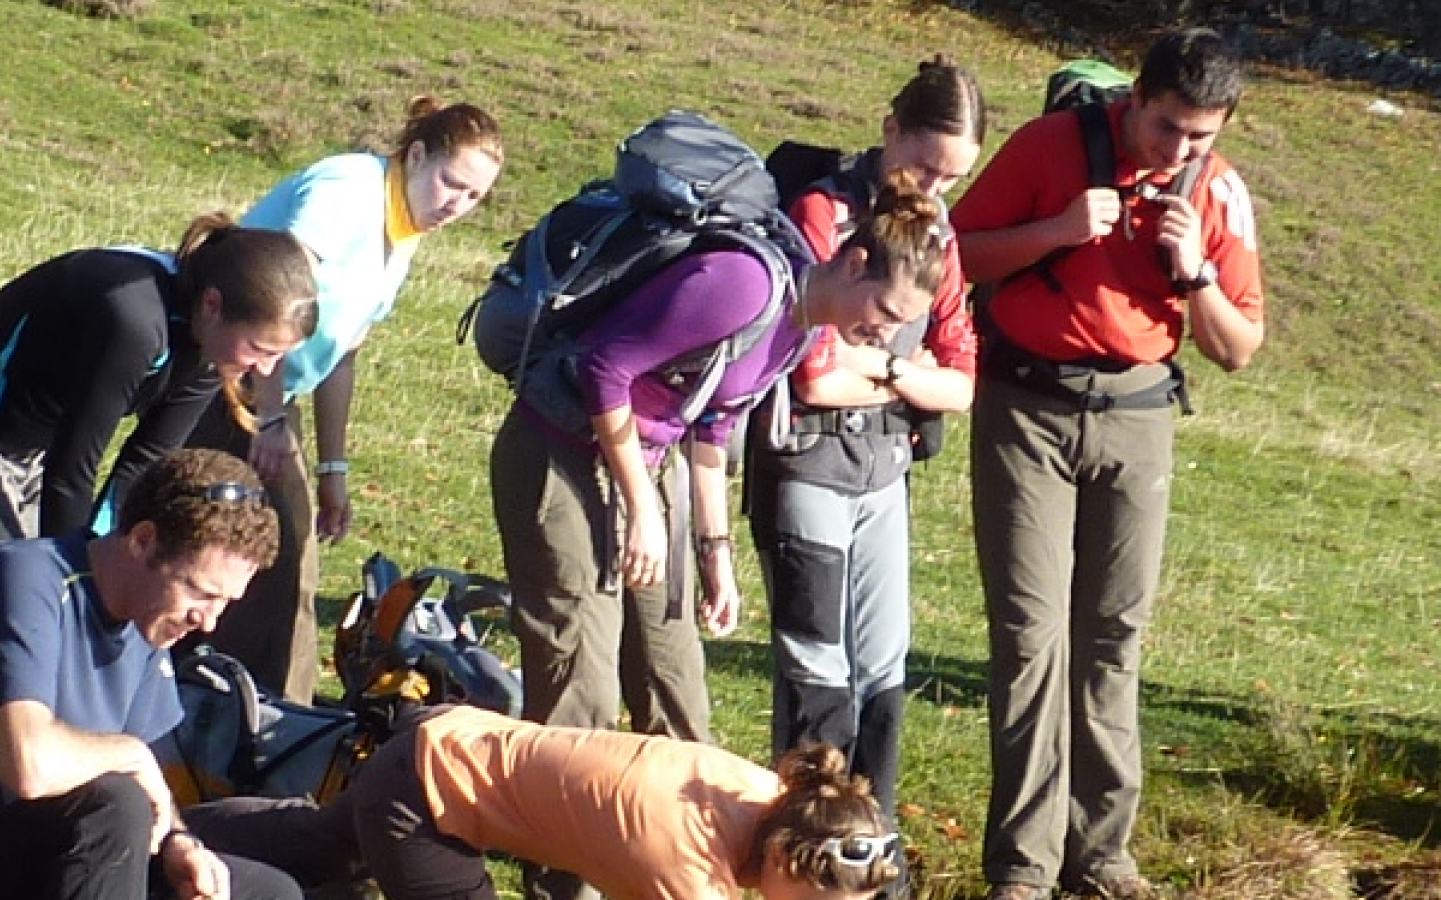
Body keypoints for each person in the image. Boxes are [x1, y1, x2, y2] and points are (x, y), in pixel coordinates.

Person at [490, 169, 948, 817]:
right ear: (854, 264)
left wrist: (715, 553)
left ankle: (677, 860)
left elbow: (715, 421)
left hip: (651, 461)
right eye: (887, 312)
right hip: (562, 457)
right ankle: (566, 876)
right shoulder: (747, 285)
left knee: (675, 684)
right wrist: (642, 507)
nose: (886, 333)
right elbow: (606, 371)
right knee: (580, 692)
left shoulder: (806, 322)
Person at [948, 28, 1265, 900]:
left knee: (1112, 640)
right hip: (1028, 411)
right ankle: (1021, 866)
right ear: (1135, 98)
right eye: (1167, 128)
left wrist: (1194, 273)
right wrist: (1055, 230)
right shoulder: (1049, 148)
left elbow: (1239, 348)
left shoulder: (1219, 194)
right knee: (1030, 639)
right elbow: (954, 254)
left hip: (1137, 420)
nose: (1181, 150)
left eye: (1203, 135)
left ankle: (1102, 857)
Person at [0, 448, 304, 900]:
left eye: (225, 602)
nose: (208, 622)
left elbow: (145, 784)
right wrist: (130, 754)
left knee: (267, 892)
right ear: (143, 540)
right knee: (116, 804)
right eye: (200, 592)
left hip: (55, 854)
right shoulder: (26, 577)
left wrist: (177, 841)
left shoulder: (148, 628)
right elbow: (29, 766)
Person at [182, 96, 503, 703]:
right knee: (275, 555)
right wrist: (269, 416)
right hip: (228, 371)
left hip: (273, 392)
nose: (456, 206)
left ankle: (232, 701)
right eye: (450, 183)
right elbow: (274, 296)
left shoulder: (403, 234)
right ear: (415, 155)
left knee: (264, 548)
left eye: (474, 197)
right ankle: (274, 715)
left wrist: (334, 469)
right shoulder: (350, 188)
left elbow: (343, 355)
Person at [747, 56, 982, 832]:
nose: (932, 188)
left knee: (884, 669)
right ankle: (804, 843)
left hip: (885, 473)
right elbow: (814, 375)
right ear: (890, 131)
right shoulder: (824, 213)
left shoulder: (939, 237)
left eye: (952, 178)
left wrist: (879, 367)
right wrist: (909, 376)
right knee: (818, 665)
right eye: (923, 164)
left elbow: (964, 383)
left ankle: (871, 848)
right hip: (808, 465)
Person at [0, 212, 319, 601]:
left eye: (279, 356)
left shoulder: (210, 347)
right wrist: (74, 578)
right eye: (261, 349)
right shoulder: (133, 318)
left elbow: (143, 465)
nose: (265, 371)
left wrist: (107, 563)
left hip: (29, 457)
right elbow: (73, 471)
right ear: (212, 304)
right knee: (11, 607)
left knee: (51, 610)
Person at [189, 703, 902, 900]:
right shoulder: (682, 861)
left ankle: (168, 836)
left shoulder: (776, 796)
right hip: (425, 799)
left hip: (448, 744)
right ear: (782, 855)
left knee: (321, 842)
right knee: (331, 847)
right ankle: (163, 840)